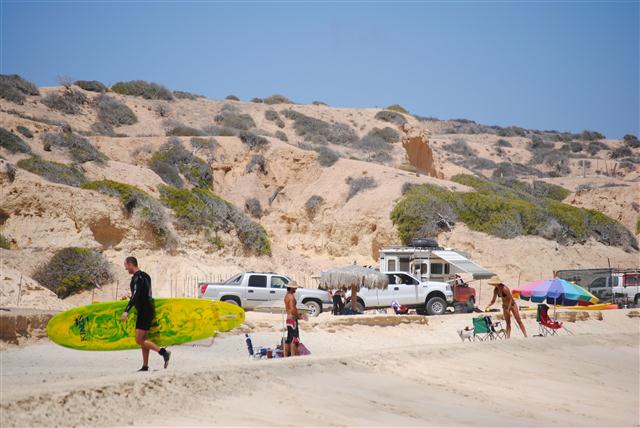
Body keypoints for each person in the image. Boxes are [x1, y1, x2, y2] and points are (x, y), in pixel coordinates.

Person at [120, 256, 171, 371]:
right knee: (144, 338)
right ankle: (145, 365)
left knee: (139, 340)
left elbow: (135, 295)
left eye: (126, 266)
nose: (125, 268)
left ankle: (163, 352)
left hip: (143, 311)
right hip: (148, 309)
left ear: (130, 264)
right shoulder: (147, 276)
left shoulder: (137, 278)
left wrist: (126, 311)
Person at [284, 280, 308, 356]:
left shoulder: (286, 296)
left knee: (289, 338)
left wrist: (298, 314)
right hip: (292, 319)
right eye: (295, 288)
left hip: (288, 318)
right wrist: (300, 317)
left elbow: (291, 309)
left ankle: (286, 355)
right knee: (294, 338)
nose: (296, 289)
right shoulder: (291, 297)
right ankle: (293, 355)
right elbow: (293, 309)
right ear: (291, 288)